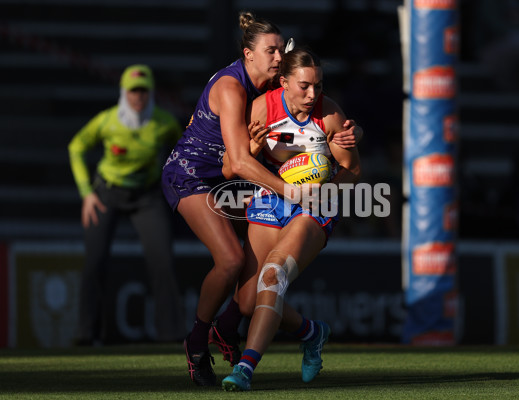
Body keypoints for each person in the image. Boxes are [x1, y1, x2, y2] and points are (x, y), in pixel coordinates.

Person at [161, 12, 362, 387]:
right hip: (193, 174)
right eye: (270, 50)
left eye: (280, 49)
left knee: (254, 294)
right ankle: (199, 341)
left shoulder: (272, 89)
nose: (277, 56)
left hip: (240, 179)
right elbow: (236, 162)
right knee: (232, 260)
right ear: (247, 54)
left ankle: (259, 328)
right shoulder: (235, 89)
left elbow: (328, 125)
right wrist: (294, 192)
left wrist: (354, 132)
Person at [220, 46, 361, 391]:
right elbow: (228, 168)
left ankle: (245, 368)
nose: (313, 94)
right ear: (283, 82)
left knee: (275, 271)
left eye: (318, 85)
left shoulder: (329, 115)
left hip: (316, 204)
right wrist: (252, 150)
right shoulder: (260, 109)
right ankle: (312, 333)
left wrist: (324, 191)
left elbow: (353, 170)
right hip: (272, 196)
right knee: (250, 301)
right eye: (304, 86)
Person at [68, 64, 185, 345]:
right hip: (106, 194)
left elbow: (182, 150)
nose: (138, 97)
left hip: (147, 196)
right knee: (94, 262)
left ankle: (171, 335)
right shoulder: (107, 121)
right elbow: (76, 148)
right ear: (123, 92)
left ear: (151, 92)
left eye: (143, 90)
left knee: (163, 262)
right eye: (133, 91)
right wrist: (87, 193)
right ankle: (86, 335)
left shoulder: (164, 122)